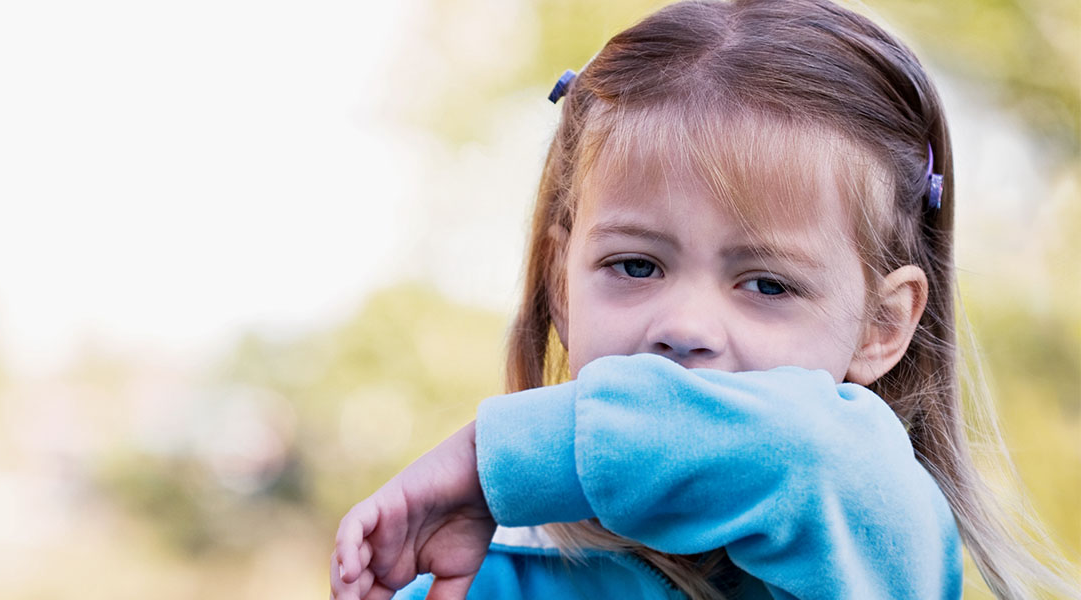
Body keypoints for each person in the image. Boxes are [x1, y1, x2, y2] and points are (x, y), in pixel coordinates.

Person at [332, 0, 1076, 598]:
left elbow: (807, 453)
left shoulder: (868, 533)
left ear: (880, 327)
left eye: (766, 284)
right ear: (562, 281)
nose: (684, 326)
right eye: (634, 266)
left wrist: (493, 457)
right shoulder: (475, 575)